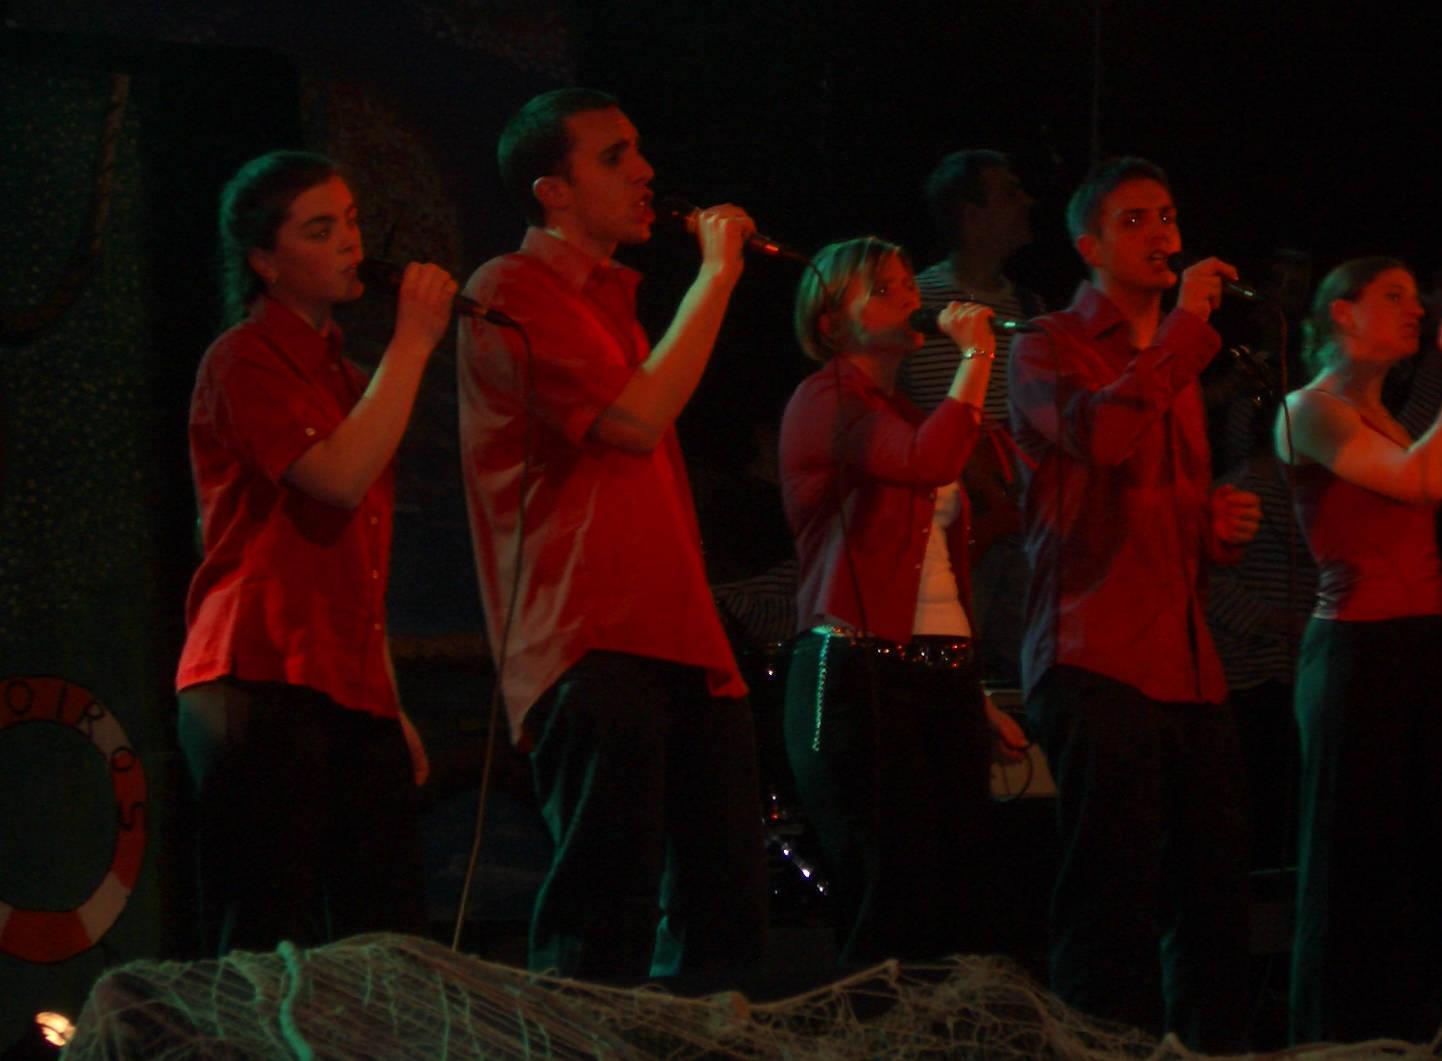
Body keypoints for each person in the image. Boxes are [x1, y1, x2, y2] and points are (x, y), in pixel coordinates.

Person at [456, 88, 766, 982]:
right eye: (615, 156)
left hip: (676, 634)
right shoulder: (508, 288)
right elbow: (630, 424)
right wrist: (715, 276)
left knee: (724, 912)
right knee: (605, 914)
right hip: (591, 638)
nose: (646, 172)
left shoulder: (616, 303)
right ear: (553, 191)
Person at [176, 150, 457, 956]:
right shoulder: (242, 357)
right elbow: (334, 478)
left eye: (353, 222)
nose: (349, 242)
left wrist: (388, 697)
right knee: (266, 933)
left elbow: (360, 564)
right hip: (258, 674)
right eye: (320, 229)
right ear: (265, 260)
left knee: (386, 935)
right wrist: (414, 343)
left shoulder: (352, 378)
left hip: (346, 683)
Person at [1008, 156, 1261, 1050]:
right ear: (1088, 246)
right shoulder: (1044, 342)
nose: (1161, 231)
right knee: (1108, 903)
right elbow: (1102, 437)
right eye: (1134, 219)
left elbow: (1167, 523)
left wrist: (1215, 530)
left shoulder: (1177, 362)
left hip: (1188, 666)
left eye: (1167, 213)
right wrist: (1185, 330)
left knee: (1215, 905)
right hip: (1095, 655)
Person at [779, 236, 1026, 965]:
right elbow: (930, 461)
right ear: (831, 323)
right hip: (857, 673)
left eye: (905, 283)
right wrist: (975, 358)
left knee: (959, 892)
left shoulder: (910, 408)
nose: (910, 297)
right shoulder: (825, 396)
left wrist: (969, 690)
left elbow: (938, 570)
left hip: (940, 674)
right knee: (894, 888)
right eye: (883, 289)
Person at [1276, 257, 1442, 1044]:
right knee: (1351, 872)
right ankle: (1337, 1039)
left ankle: (1416, 1033)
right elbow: (1421, 480)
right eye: (1392, 296)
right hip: (1358, 653)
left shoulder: (1388, 411)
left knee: (1433, 871)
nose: (1413, 309)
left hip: (1419, 648)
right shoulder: (1309, 409)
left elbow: (1426, 463)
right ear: (1341, 313)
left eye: (1414, 294)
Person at [901, 149, 1044, 685]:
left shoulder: (1032, 309)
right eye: (1009, 191)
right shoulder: (917, 298)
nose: (1026, 200)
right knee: (952, 675)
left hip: (1022, 525)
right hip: (950, 527)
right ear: (970, 214)